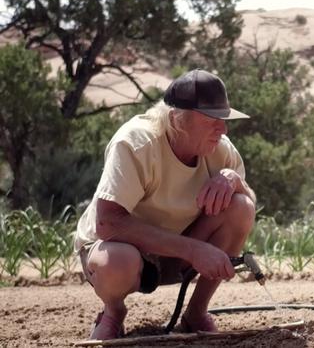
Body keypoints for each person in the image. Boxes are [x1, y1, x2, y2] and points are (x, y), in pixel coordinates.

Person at [74, 69, 256, 340]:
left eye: (224, 119)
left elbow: (248, 206)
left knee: (241, 206)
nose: (223, 128)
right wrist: (195, 250)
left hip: (177, 254)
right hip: (121, 253)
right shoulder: (136, 143)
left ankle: (196, 313)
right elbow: (107, 223)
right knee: (118, 262)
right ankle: (113, 313)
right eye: (212, 120)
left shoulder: (221, 148)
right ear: (177, 120)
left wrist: (235, 182)